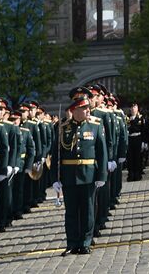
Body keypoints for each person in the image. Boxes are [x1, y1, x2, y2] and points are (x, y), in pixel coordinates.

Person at [52, 91, 107, 256]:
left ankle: (85, 242)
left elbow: (102, 152)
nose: (88, 111)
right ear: (75, 110)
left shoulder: (96, 125)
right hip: (69, 176)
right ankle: (72, 243)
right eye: (84, 108)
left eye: (88, 108)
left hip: (89, 175)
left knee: (88, 211)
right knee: (71, 213)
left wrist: (101, 176)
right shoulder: (63, 128)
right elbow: (56, 155)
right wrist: (55, 178)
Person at [125, 103, 147, 182]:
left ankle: (138, 175)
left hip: (138, 138)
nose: (133, 109)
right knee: (130, 158)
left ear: (137, 108)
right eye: (132, 107)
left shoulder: (141, 118)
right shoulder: (127, 118)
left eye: (135, 107)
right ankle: (131, 174)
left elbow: (144, 130)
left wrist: (144, 142)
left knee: (138, 157)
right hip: (130, 138)